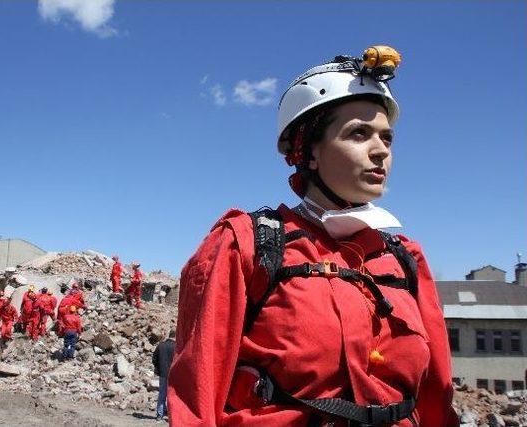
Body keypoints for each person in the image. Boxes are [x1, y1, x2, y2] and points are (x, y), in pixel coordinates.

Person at [168, 47, 458, 426]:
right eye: (359, 134)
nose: (380, 152)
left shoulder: (405, 259)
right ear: (310, 151)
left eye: (387, 139)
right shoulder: (246, 244)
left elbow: (437, 400)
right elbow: (196, 396)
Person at [153, 330, 176, 422]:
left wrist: (158, 368)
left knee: (162, 393)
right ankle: (171, 415)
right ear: (175, 336)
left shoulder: (160, 345)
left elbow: (154, 359)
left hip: (162, 373)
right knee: (172, 395)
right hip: (173, 375)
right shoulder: (176, 347)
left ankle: (159, 415)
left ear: (169, 335)